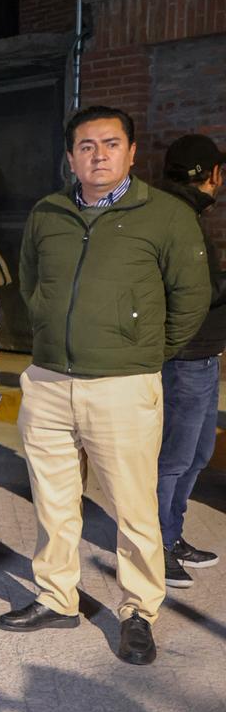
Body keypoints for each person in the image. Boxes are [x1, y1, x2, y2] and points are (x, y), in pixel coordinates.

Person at [0, 107, 210, 665]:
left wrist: (141, 352)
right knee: (53, 501)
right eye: (86, 146)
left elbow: (191, 299)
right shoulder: (49, 212)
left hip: (123, 386)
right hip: (48, 380)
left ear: (131, 153)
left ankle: (138, 610)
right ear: (70, 157)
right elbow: (32, 283)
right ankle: (56, 597)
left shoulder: (165, 216)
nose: (98, 155)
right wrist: (50, 332)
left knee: (133, 508)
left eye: (110, 144)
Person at [154, 134, 225, 588]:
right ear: (211, 174)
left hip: (203, 358)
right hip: (184, 360)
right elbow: (191, 290)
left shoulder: (187, 215)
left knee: (197, 454)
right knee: (174, 458)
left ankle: (171, 535)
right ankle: (156, 545)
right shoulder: (178, 218)